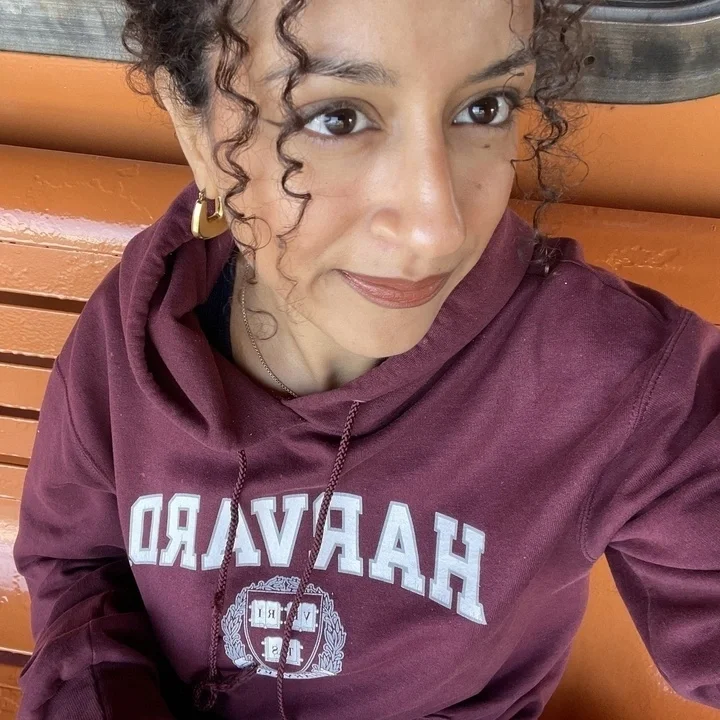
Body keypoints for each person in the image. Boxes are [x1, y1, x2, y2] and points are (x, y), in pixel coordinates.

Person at [13, 0, 720, 718]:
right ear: (196, 130)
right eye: (338, 117)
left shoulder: (614, 377)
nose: (436, 228)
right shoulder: (138, 319)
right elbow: (80, 567)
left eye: (485, 108)